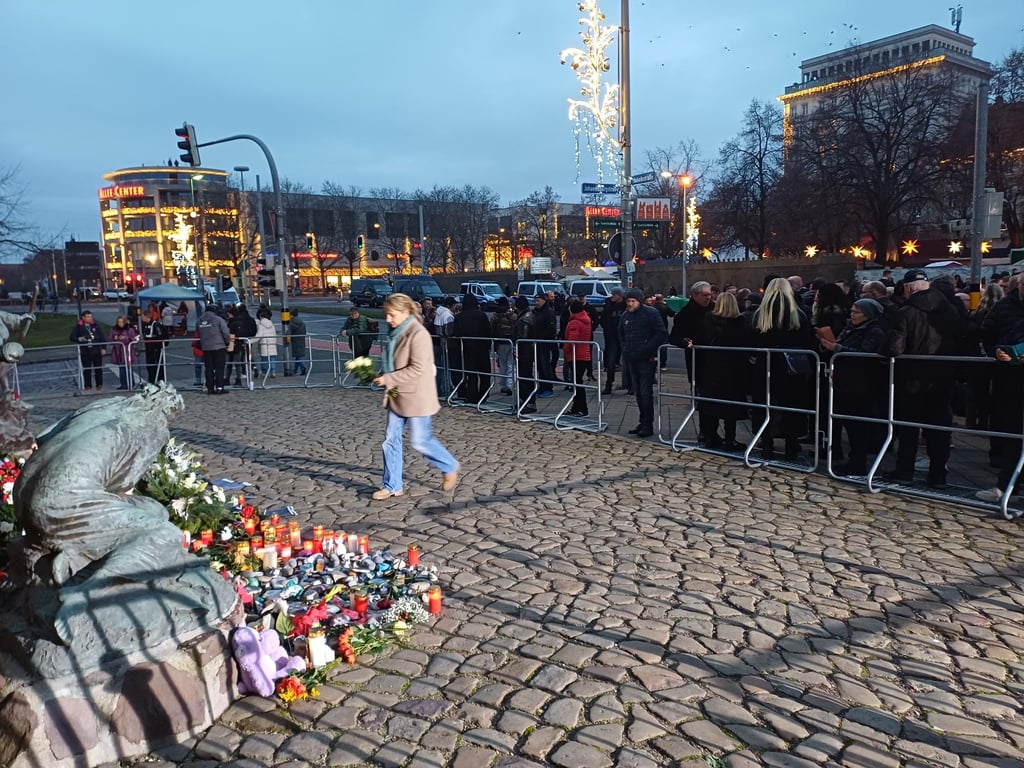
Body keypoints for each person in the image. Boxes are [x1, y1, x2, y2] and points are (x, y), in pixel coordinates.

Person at [370, 293, 459, 501]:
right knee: (390, 440)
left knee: (420, 440)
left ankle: (449, 466)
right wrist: (384, 377)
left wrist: (388, 378)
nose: (388, 319)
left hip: (417, 395)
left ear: (406, 312)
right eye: (386, 314)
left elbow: (417, 369)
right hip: (396, 393)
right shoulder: (395, 333)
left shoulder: (419, 334)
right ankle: (392, 485)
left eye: (392, 315)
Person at [882, 269, 963, 487]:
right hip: (943, 377)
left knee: (908, 428)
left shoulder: (906, 312)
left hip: (912, 378)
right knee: (939, 429)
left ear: (908, 288)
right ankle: (938, 475)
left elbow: (894, 347)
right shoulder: (950, 310)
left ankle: (904, 472)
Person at [750, 277, 817, 461]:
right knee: (792, 406)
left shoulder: (760, 314)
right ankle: (790, 446)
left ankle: (767, 444)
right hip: (791, 367)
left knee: (765, 405)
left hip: (766, 365)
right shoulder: (797, 314)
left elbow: (753, 340)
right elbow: (806, 339)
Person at [818, 298, 887, 475]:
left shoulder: (874, 332)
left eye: (856, 312)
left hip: (861, 383)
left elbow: (865, 354)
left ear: (867, 315)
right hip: (846, 381)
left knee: (858, 426)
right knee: (849, 423)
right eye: (852, 311)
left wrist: (837, 348)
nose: (852, 315)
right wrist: (828, 345)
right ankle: (853, 460)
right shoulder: (850, 328)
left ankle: (858, 463)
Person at [696, 292, 752, 451]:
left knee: (712, 403)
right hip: (734, 369)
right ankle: (729, 439)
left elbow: (703, 338)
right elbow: (746, 343)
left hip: (713, 366)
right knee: (731, 405)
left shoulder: (709, 320)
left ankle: (710, 437)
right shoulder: (739, 322)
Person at [619, 288, 667, 438]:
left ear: (639, 301)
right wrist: (625, 349)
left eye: (633, 301)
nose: (630, 304)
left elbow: (661, 333)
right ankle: (643, 421)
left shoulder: (650, 313)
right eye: (628, 301)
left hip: (647, 358)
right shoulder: (626, 315)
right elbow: (621, 333)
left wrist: (647, 348)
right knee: (638, 392)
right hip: (632, 357)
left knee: (646, 392)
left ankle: (648, 424)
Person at [451, 293, 491, 402]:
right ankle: (484, 395)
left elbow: (456, 333)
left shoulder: (459, 317)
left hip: (466, 348)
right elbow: (488, 331)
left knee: (471, 374)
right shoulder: (482, 315)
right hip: (481, 347)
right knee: (485, 374)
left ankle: (472, 395)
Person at [563, 300, 592, 416]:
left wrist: (565, 349)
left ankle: (582, 409)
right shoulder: (586, 320)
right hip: (584, 354)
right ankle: (576, 407)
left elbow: (572, 340)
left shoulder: (575, 322)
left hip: (576, 355)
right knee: (577, 381)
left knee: (577, 383)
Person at [197, 304, 231, 394]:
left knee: (209, 368)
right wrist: (227, 342)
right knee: (219, 368)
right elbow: (225, 332)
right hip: (218, 346)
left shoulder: (199, 321)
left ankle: (210, 388)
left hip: (206, 348)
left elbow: (198, 332)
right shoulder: (218, 319)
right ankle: (220, 387)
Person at [70, 310, 106, 391]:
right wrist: (80, 339)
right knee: (87, 369)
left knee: (98, 368)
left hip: (96, 350)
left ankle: (99, 384)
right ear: (83, 318)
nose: (90, 318)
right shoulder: (78, 327)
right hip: (85, 351)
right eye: (88, 317)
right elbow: (72, 337)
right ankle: (88, 385)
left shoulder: (96, 326)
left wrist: (103, 348)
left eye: (91, 317)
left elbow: (102, 337)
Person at [600, 288, 627, 395]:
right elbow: (603, 319)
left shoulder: (625, 305)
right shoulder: (608, 305)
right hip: (613, 337)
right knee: (611, 363)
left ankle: (631, 385)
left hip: (624, 337)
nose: (612, 296)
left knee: (629, 362)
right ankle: (609, 385)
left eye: (614, 294)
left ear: (620, 295)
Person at [514, 296, 538, 413]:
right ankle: (526, 400)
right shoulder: (528, 316)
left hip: (524, 352)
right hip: (527, 351)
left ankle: (529, 402)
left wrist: (517, 349)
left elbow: (522, 337)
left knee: (525, 377)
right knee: (525, 377)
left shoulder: (524, 319)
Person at [532, 293, 558, 397]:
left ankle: (548, 388)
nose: (536, 303)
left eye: (538, 301)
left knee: (545, 365)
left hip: (545, 343)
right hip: (537, 343)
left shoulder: (548, 312)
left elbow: (551, 328)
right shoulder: (536, 312)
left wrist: (543, 338)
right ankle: (542, 386)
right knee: (540, 366)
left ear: (544, 301)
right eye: (535, 301)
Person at [490, 296, 516, 395]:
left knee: (502, 364)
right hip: (511, 342)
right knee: (511, 364)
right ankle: (510, 384)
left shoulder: (495, 316)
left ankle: (504, 384)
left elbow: (491, 330)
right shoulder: (512, 315)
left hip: (500, 342)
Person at [228, 303, 257, 386]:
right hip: (248, 339)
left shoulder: (237, 319)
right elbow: (254, 330)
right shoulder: (251, 319)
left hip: (238, 341)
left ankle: (243, 373)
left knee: (239, 358)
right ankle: (254, 367)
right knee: (248, 355)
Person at [108, 315, 139, 390]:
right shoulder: (114, 329)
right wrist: (114, 338)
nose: (120, 323)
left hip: (127, 351)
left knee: (128, 368)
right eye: (119, 322)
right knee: (121, 369)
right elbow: (109, 339)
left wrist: (125, 338)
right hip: (118, 352)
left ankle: (131, 383)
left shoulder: (129, 329)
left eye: (122, 322)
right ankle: (123, 384)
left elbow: (134, 339)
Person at [140, 308, 169, 384]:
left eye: (143, 316)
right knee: (150, 366)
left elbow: (161, 336)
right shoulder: (145, 325)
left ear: (146, 316)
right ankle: (152, 381)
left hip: (155, 350)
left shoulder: (156, 325)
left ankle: (160, 381)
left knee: (157, 366)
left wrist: (158, 346)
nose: (142, 318)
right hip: (149, 349)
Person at [254, 306, 278, 378]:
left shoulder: (261, 325)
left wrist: (251, 341)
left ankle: (264, 372)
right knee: (272, 358)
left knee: (264, 359)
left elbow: (259, 335)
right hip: (272, 343)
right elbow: (274, 334)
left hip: (264, 343)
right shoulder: (272, 324)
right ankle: (273, 372)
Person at [287, 307, 308, 376]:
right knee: (298, 355)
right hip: (301, 339)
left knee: (298, 356)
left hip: (295, 340)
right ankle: (295, 370)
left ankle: (303, 367)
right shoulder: (301, 321)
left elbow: (289, 331)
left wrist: (287, 336)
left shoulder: (292, 322)